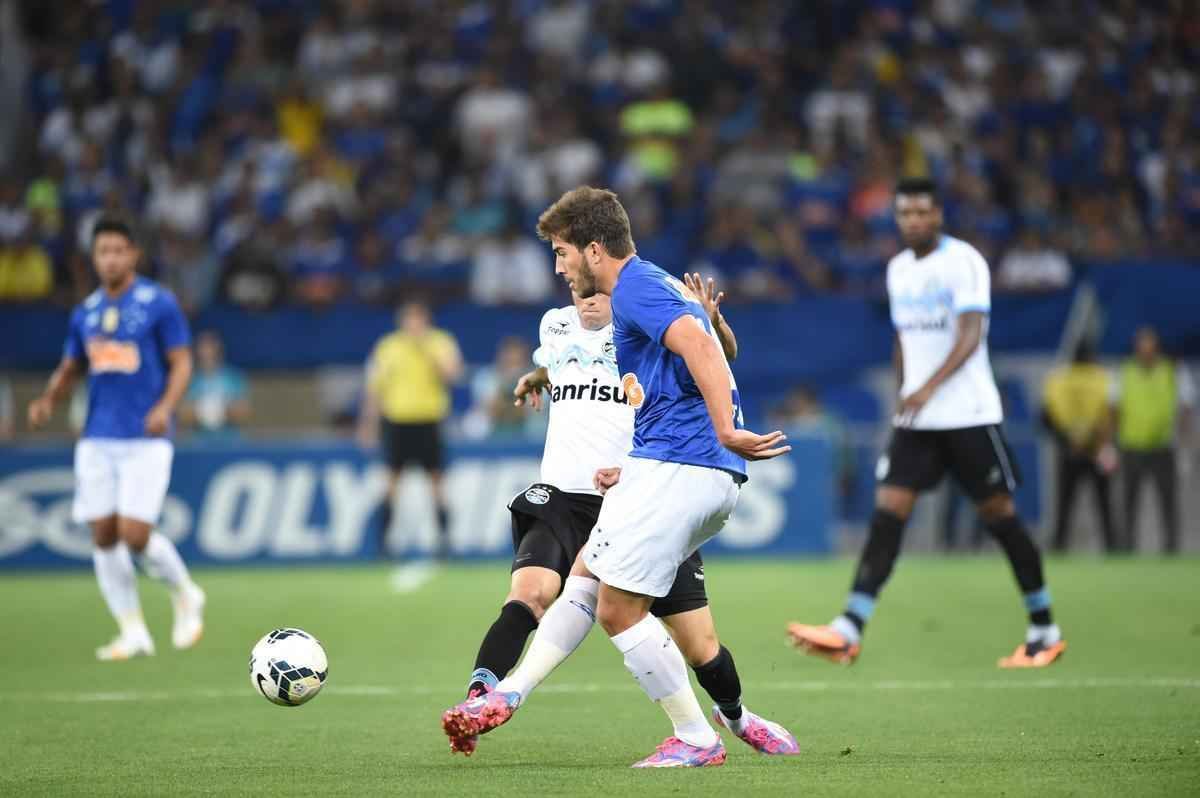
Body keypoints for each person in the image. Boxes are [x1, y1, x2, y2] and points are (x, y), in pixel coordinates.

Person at [442, 187, 793, 768]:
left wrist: (727, 428)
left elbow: (704, 349)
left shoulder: (635, 289)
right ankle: (509, 692)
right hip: (663, 468)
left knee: (618, 612)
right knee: (586, 573)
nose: (557, 267)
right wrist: (541, 378)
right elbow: (698, 343)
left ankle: (699, 737)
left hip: (681, 465)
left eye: (561, 252)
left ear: (594, 249)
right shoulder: (633, 292)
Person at [787, 178, 1066, 669]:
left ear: (938, 215)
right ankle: (849, 627)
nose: (914, 221)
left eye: (922, 212)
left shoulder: (964, 262)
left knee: (999, 516)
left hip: (969, 413)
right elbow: (902, 338)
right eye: (905, 213)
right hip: (918, 418)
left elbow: (971, 334)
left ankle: (1044, 627)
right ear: (896, 219)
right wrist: (904, 393)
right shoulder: (897, 270)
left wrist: (929, 386)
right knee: (887, 513)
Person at [26, 214, 205, 661]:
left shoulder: (158, 302)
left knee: (135, 533)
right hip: (97, 436)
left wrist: (165, 407)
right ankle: (133, 631)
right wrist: (49, 399)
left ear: (133, 254)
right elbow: (72, 366)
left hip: (146, 436)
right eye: (102, 251)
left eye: (117, 251)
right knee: (103, 534)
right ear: (94, 257)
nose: (110, 259)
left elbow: (182, 362)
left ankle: (185, 592)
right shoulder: (84, 312)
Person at [358, 300, 464, 559]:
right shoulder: (388, 346)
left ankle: (444, 541)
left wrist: (428, 353)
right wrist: (368, 424)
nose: (414, 325)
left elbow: (453, 376)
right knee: (392, 483)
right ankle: (383, 543)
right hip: (398, 421)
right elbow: (375, 389)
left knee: (437, 483)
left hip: (429, 420)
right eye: (410, 320)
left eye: (419, 320)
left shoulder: (440, 343)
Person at [1112, 327, 1195, 553]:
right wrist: (1111, 444)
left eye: (1149, 347)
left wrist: (1185, 445)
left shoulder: (1173, 371)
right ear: (1136, 349)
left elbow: (1186, 409)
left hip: (1163, 447)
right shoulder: (1125, 371)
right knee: (1129, 502)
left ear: (1157, 348)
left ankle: (1171, 548)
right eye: (1141, 347)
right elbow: (1114, 409)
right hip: (1132, 446)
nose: (1145, 352)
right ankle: (1126, 548)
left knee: (1168, 501)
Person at [1041, 342, 1118, 552]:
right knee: (1103, 503)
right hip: (1096, 448)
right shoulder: (1103, 378)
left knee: (1064, 503)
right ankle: (1112, 546)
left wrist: (1066, 439)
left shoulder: (1058, 379)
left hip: (1068, 449)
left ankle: (1059, 545)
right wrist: (1100, 442)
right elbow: (1112, 414)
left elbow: (1046, 417)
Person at [179, 330, 251, 442]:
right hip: (198, 441)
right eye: (202, 347)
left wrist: (218, 410)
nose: (206, 352)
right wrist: (205, 412)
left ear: (218, 349)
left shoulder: (234, 377)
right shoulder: (189, 379)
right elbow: (183, 415)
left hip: (231, 440)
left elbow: (243, 413)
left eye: (210, 347)